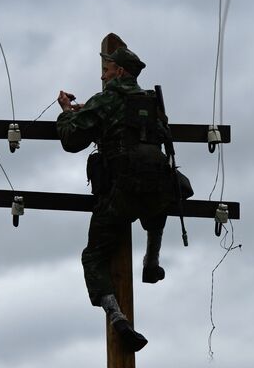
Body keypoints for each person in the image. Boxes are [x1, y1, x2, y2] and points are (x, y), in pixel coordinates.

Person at [56, 46, 176, 352]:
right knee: (157, 208)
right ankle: (152, 259)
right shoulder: (151, 101)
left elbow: (72, 140)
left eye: (106, 69)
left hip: (121, 191)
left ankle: (116, 315)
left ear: (120, 71)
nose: (102, 74)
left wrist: (67, 112)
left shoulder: (106, 99)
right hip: (157, 189)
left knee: (94, 255)